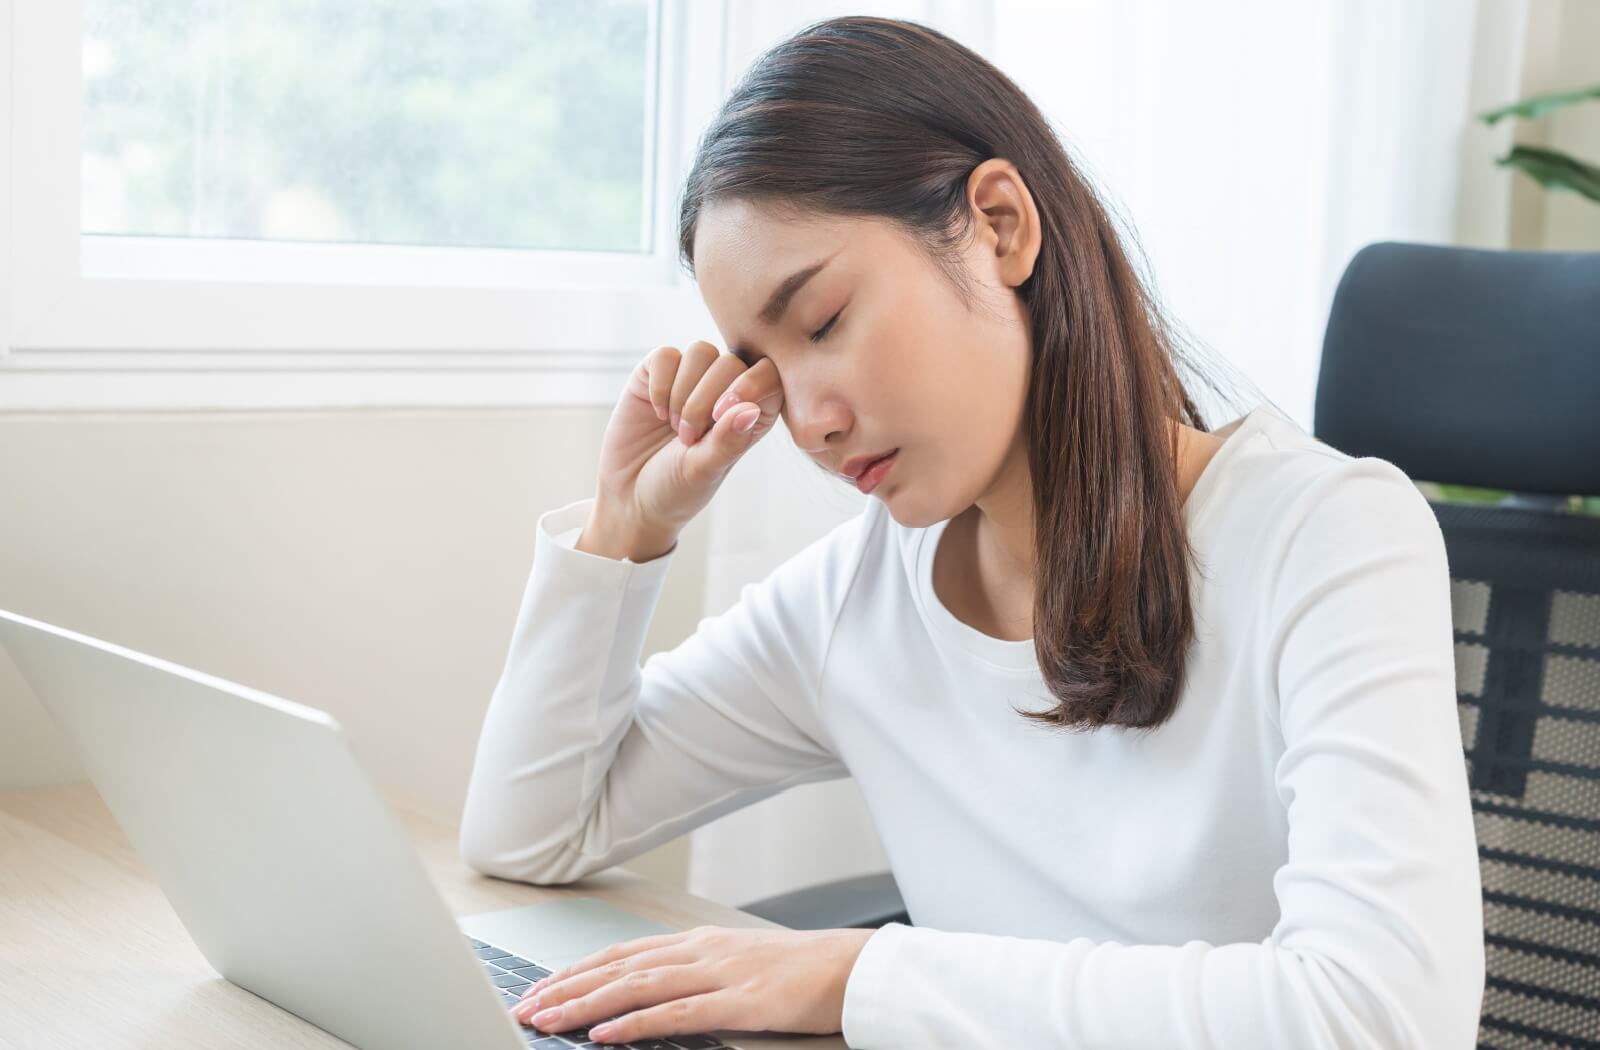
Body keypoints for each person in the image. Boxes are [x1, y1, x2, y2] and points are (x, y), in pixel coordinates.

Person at [460, 15, 1485, 1049]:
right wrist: (624, 530)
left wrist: (865, 975)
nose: (807, 421)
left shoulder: (1327, 536)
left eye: (820, 323)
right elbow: (531, 831)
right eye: (767, 368)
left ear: (998, 225)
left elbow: (1385, 1016)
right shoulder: (853, 603)